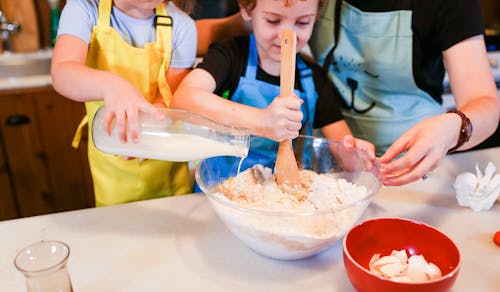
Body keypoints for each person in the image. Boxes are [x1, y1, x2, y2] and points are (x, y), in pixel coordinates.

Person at [195, 0, 500, 186]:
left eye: (304, 22)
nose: (290, 30)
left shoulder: (449, 4)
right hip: (331, 169)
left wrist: (453, 127)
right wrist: (161, 34)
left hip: (412, 166)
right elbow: (252, 20)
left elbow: (485, 104)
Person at [171, 0, 374, 173]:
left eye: (303, 22)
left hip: (286, 200)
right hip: (220, 190)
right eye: (273, 20)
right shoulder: (230, 56)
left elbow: (342, 148)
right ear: (248, 9)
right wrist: (261, 121)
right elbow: (184, 98)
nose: (287, 35)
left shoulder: (314, 79)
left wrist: (354, 155)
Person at [51, 0, 197, 206]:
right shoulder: (84, 9)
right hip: (111, 169)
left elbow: (168, 99)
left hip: (167, 169)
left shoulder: (182, 26)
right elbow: (62, 73)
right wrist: (112, 86)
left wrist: (145, 132)